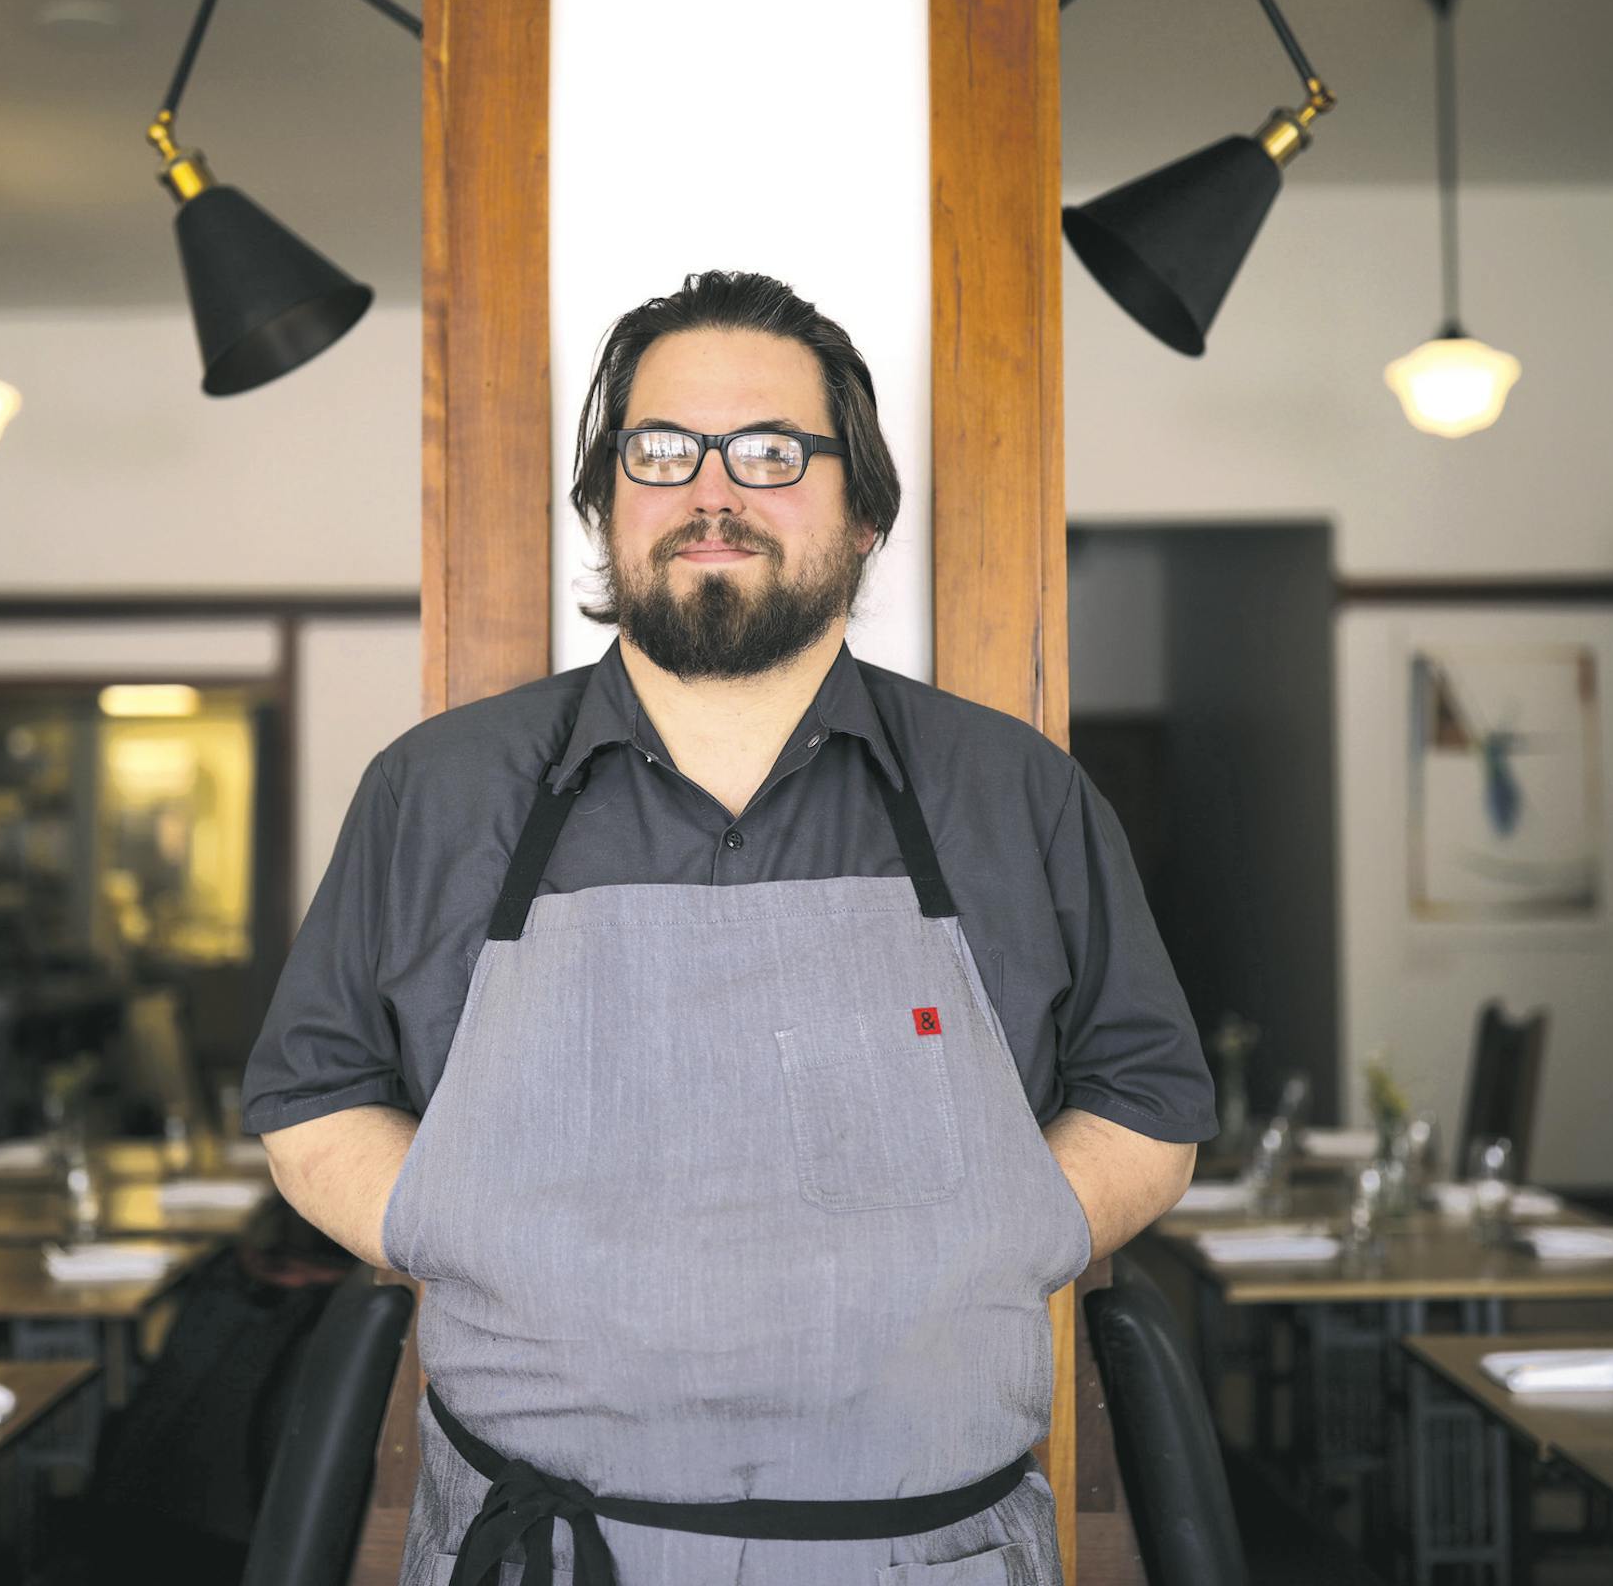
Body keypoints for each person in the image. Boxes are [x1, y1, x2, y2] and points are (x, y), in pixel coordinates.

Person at [244, 270, 1215, 1585]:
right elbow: (312, 1094)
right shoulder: (439, 791)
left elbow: (1149, 1096)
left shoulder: (1013, 791)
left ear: (864, 509)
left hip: (928, 1561)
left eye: (770, 451)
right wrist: (472, 1231)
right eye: (661, 450)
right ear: (605, 503)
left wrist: (1003, 1227)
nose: (713, 490)